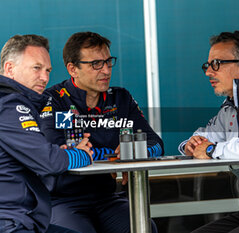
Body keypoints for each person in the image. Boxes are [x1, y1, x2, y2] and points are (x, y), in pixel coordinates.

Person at [0, 34, 94, 233]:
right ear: (10, 69)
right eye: (36, 68)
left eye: (48, 70)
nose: (45, 77)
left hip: (1, 218)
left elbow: (40, 155)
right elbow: (49, 161)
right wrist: (82, 155)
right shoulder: (8, 106)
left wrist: (58, 153)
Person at [39, 31, 164, 233]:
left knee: (143, 228)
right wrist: (115, 157)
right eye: (96, 64)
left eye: (108, 61)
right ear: (73, 69)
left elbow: (156, 143)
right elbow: (57, 151)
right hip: (63, 200)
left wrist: (133, 153)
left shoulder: (120, 98)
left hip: (107, 197)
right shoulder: (54, 100)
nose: (106, 70)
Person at [178, 31, 239, 233]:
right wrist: (191, 145)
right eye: (208, 65)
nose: (208, 72)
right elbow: (207, 136)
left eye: (217, 64)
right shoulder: (231, 106)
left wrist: (211, 150)